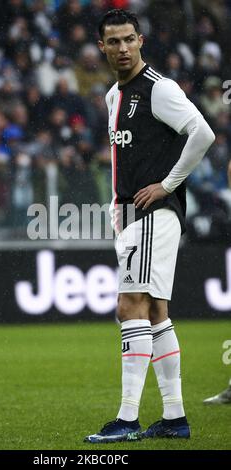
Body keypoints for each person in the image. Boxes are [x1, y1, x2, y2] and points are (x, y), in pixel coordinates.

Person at [84, 9, 215, 443]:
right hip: (131, 215)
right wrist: (114, 207)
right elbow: (126, 158)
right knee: (156, 312)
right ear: (101, 47)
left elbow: (202, 133)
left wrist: (168, 185)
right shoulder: (112, 97)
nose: (122, 48)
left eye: (128, 39)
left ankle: (126, 419)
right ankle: (175, 418)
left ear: (141, 40)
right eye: (113, 42)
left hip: (153, 214)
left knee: (129, 307)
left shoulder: (159, 89)